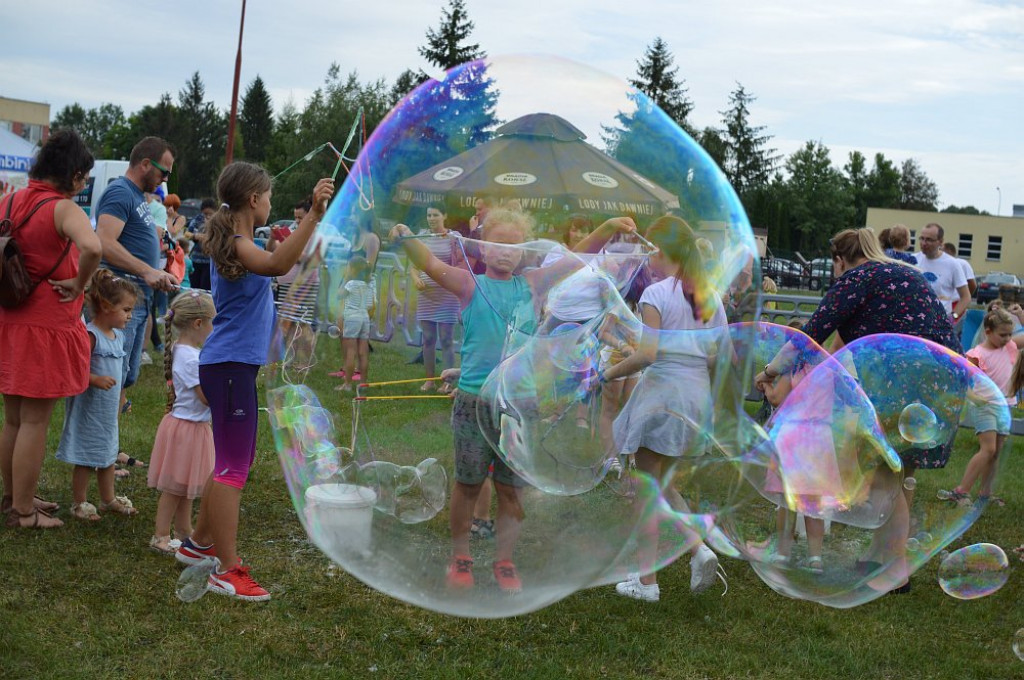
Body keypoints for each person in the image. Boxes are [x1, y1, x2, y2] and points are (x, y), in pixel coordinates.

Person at [389, 207, 635, 594]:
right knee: (468, 484)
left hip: (517, 404)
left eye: (515, 245)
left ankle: (504, 561)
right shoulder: (469, 284)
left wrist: (605, 227)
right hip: (473, 400)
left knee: (509, 488)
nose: (507, 252)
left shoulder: (532, 285)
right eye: (498, 244)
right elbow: (431, 264)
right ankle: (461, 556)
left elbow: (577, 257)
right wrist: (405, 237)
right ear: (483, 249)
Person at [756, 228, 962, 594]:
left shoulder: (856, 278)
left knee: (886, 475)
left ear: (839, 259)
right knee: (903, 473)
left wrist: (771, 371)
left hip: (905, 381)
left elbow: (813, 333)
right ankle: (882, 555)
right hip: (941, 381)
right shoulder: (901, 274)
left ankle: (896, 572)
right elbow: (836, 345)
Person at [174, 163, 334, 602]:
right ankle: (226, 570)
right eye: (267, 196)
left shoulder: (242, 241)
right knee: (232, 470)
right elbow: (278, 263)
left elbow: (283, 264)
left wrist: (310, 228)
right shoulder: (243, 244)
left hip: (230, 366)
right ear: (253, 200)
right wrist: (311, 218)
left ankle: (197, 544)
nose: (270, 203)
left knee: (228, 461)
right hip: (228, 368)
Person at [601, 215, 726, 602]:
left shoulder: (655, 294)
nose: (647, 256)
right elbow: (719, 355)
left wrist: (609, 373)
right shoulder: (709, 295)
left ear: (661, 250)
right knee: (665, 483)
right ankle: (699, 549)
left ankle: (647, 582)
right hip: (695, 393)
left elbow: (648, 354)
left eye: (649, 248)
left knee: (647, 491)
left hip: (663, 394)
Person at [0, 129, 102, 529]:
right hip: (44, 324)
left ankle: (14, 496)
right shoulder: (63, 208)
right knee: (34, 421)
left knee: (12, 418)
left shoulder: (9, 199)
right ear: (75, 175)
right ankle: (23, 512)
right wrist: (79, 283)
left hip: (10, 318)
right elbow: (93, 248)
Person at [94, 137, 178, 419]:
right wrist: (146, 270)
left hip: (137, 300)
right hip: (119, 299)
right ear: (145, 164)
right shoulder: (119, 192)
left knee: (123, 378)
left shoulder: (136, 196)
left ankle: (108, 453)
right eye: (163, 171)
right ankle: (101, 457)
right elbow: (103, 242)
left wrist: (157, 269)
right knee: (111, 377)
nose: (165, 178)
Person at [56, 269, 141, 521]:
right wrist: (94, 379)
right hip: (89, 408)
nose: (130, 315)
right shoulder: (91, 336)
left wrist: (121, 397)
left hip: (107, 411)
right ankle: (80, 502)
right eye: (126, 309)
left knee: (107, 454)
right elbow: (74, 368)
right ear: (105, 306)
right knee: (86, 456)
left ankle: (108, 499)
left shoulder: (118, 336)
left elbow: (121, 371)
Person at [147, 291, 216, 554]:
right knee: (175, 488)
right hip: (187, 429)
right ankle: (161, 535)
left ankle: (184, 530)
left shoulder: (184, 350)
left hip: (191, 428)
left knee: (187, 486)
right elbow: (206, 398)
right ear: (198, 324)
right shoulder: (191, 358)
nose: (214, 329)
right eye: (212, 323)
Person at [938, 307, 1022, 507]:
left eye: (1010, 334)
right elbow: (963, 382)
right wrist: (975, 398)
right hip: (985, 406)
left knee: (996, 452)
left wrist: (1020, 316)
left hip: (1004, 406)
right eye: (1003, 335)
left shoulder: (1009, 347)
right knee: (988, 449)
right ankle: (961, 491)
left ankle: (986, 493)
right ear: (988, 332)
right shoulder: (976, 355)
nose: (1007, 338)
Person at [409, 204, 460, 392]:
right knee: (428, 338)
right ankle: (429, 380)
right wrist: (415, 278)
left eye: (435, 215)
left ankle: (449, 381)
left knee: (446, 339)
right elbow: (414, 266)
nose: (431, 218)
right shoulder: (422, 236)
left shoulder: (453, 238)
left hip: (447, 295)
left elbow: (460, 264)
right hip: (426, 295)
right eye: (429, 215)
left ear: (444, 216)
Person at [914, 223, 970, 321]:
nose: (924, 243)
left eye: (929, 240)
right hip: (916, 320)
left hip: (939, 324)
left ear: (941, 242)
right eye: (922, 238)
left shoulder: (953, 264)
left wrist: (953, 317)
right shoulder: (913, 260)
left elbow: (966, 297)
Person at [335, 256, 376, 392]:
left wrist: (345, 279)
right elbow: (370, 304)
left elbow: (339, 295)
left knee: (350, 352)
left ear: (352, 269)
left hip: (352, 318)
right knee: (363, 353)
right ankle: (363, 383)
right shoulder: (368, 284)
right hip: (364, 318)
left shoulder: (351, 284)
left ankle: (347, 384)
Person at [185, 198, 217, 291]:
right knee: (194, 287)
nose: (207, 216)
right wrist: (195, 236)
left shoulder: (218, 221)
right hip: (195, 259)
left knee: (206, 288)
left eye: (210, 214)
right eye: (205, 213)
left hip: (210, 261)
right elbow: (187, 233)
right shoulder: (198, 218)